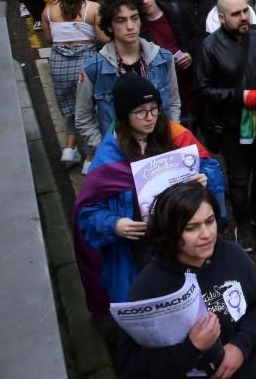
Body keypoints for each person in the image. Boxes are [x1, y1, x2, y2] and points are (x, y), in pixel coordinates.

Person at [73, 74, 224, 315]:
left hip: (181, 242)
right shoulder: (108, 157)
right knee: (151, 305)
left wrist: (205, 178)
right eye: (140, 111)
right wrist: (114, 224)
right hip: (138, 252)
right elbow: (87, 213)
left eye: (154, 109)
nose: (150, 117)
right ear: (124, 115)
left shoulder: (175, 135)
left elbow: (209, 166)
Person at [117, 181, 256, 379]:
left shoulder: (233, 254)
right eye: (191, 227)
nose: (206, 234)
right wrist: (191, 348)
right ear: (169, 232)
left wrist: (241, 346)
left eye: (210, 221)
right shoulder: (149, 286)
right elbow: (131, 367)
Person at [195, 0, 256, 251]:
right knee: (239, 179)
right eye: (236, 13)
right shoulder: (209, 47)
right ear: (221, 18)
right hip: (231, 126)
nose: (243, 17)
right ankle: (242, 223)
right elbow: (202, 89)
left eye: (245, 10)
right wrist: (237, 96)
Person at [76, 0, 182, 174]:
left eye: (135, 18)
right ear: (109, 26)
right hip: (118, 157)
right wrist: (103, 148)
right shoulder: (94, 67)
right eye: (121, 20)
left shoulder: (163, 58)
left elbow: (173, 101)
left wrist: (170, 136)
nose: (130, 26)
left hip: (160, 151)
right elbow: (83, 116)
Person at [43, 0, 107, 167]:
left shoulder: (49, 10)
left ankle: (69, 149)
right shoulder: (92, 8)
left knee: (71, 109)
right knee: (90, 110)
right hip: (85, 64)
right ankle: (89, 158)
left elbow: (48, 38)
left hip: (59, 64)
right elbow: (103, 38)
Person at [122, 0, 197, 128]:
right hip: (159, 100)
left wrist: (190, 53)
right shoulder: (134, 28)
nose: (145, 0)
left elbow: (198, 37)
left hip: (189, 92)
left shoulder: (176, 11)